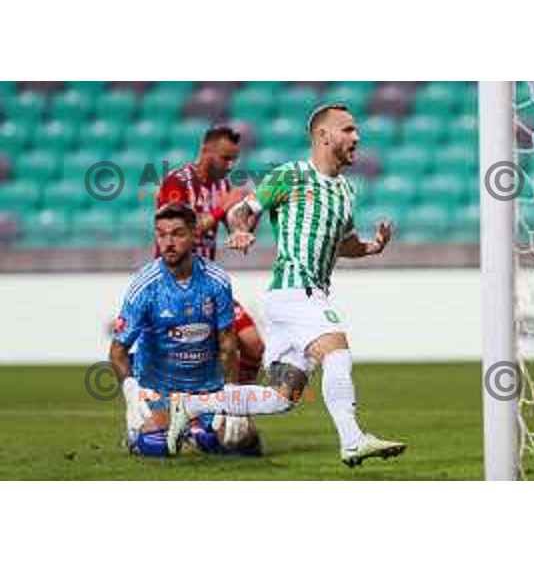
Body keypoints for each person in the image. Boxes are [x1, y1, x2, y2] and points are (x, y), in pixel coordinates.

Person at [225, 104, 406, 467]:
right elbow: (240, 211)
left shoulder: (344, 190)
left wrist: (372, 247)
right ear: (324, 136)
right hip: (295, 291)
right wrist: (242, 231)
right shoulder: (290, 176)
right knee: (337, 352)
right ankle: (352, 439)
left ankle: (189, 404)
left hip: (303, 297)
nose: (357, 137)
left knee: (281, 397)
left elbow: (344, 243)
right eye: (349, 130)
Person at [109, 203, 291, 458]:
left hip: (206, 385)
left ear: (194, 235)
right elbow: (118, 350)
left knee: (240, 440)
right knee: (157, 446)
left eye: (177, 234)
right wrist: (131, 392)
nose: (168, 242)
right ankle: (142, 434)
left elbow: (228, 344)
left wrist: (231, 394)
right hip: (158, 386)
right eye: (162, 234)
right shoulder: (145, 285)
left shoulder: (216, 281)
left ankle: (196, 429)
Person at [157, 125, 263, 385]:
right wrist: (220, 210)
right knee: (198, 360)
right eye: (225, 158)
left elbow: (235, 228)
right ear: (206, 151)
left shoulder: (223, 186)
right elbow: (175, 235)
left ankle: (238, 412)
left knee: (253, 345)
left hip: (208, 283)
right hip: (176, 284)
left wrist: (251, 217)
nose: (230, 165)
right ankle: (195, 420)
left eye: (234, 159)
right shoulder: (177, 182)